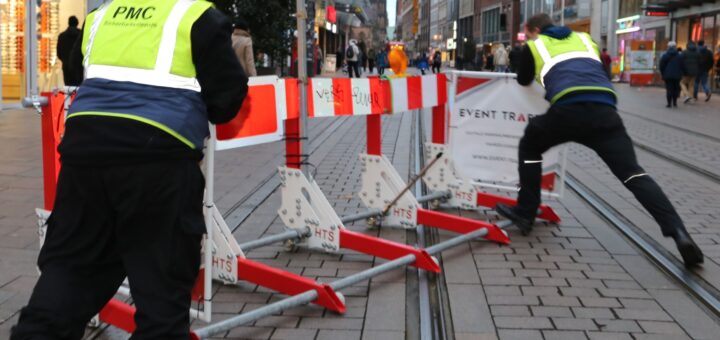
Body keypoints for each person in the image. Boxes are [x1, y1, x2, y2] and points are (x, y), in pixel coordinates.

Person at [10, 1, 248, 339]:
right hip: (159, 163)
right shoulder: (196, 15)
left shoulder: (101, 16)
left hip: (85, 159)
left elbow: (77, 75)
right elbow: (226, 99)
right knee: (161, 298)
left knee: (69, 272)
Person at [495, 13, 703, 268]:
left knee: (530, 146)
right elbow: (599, 72)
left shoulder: (535, 45)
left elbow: (524, 79)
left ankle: (526, 212)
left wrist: (523, 60)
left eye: (528, 33)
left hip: (566, 111)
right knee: (633, 175)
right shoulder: (585, 39)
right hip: (605, 112)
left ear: (535, 30)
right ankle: (679, 232)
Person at [56, 16, 82, 86]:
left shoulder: (61, 36)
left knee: (68, 90)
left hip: (66, 67)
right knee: (78, 89)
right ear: (77, 23)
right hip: (78, 67)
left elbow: (59, 54)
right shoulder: (81, 35)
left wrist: (65, 60)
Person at [660, 42, 683, 108]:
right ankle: (675, 103)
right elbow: (682, 65)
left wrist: (663, 73)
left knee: (669, 89)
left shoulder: (665, 55)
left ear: (668, 47)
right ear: (675, 47)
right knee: (676, 88)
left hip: (668, 75)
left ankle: (669, 103)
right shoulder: (679, 55)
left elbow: (662, 65)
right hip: (677, 75)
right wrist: (681, 73)